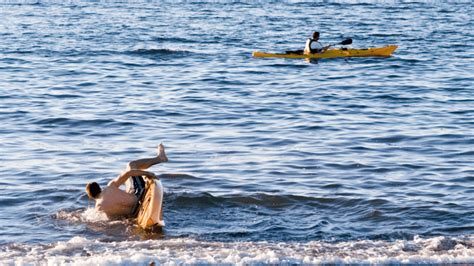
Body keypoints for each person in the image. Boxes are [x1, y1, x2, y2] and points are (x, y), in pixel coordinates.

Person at [85, 144, 168, 219]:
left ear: (90, 196)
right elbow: (129, 173)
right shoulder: (109, 187)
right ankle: (160, 158)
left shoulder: (99, 209)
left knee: (128, 183)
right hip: (138, 197)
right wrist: (147, 173)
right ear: (99, 187)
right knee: (131, 165)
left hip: (133, 212)